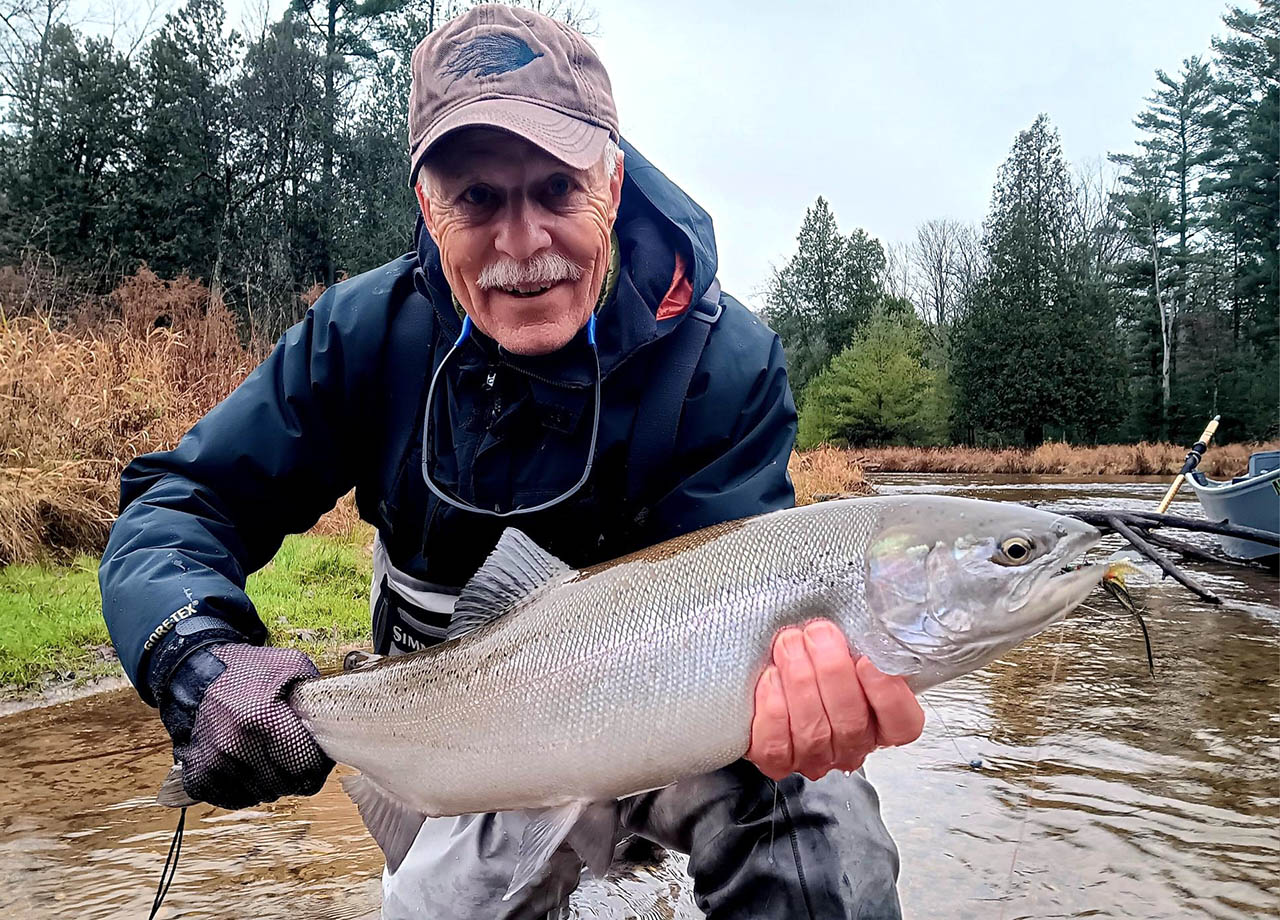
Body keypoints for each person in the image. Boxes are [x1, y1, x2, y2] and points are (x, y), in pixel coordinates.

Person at [99, 5, 924, 918]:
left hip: (682, 714)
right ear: (426, 204)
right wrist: (196, 655)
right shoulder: (362, 334)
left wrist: (808, 696)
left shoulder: (722, 365)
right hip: (452, 737)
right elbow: (181, 501)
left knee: (821, 827)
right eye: (478, 199)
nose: (522, 244)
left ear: (611, 181)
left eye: (557, 191)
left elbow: (753, 611)